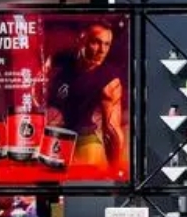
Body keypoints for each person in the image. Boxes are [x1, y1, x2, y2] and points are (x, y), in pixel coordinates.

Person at [42, 22, 127, 173]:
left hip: (84, 140)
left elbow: (112, 130)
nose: (102, 50)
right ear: (82, 39)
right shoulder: (60, 60)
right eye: (96, 42)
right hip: (53, 138)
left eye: (107, 44)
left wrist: (115, 172)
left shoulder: (109, 81)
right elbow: (38, 88)